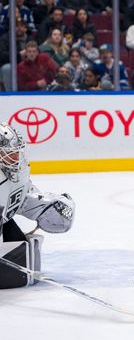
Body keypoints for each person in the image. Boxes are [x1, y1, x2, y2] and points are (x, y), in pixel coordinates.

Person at [0, 123, 75, 289]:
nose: (16, 157)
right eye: (9, 153)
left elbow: (18, 200)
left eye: (16, 152)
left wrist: (46, 207)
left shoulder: (14, 174)